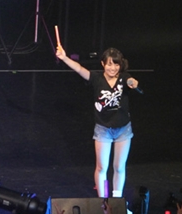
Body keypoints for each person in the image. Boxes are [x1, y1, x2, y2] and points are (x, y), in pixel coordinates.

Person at [55, 42, 140, 198]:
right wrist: (64, 58)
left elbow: (131, 80)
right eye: (109, 64)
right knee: (101, 167)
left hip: (123, 129)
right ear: (103, 64)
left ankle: (116, 200)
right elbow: (79, 69)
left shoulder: (124, 77)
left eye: (116, 64)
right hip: (103, 129)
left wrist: (133, 83)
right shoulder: (96, 78)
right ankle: (102, 202)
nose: (113, 68)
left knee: (119, 167)